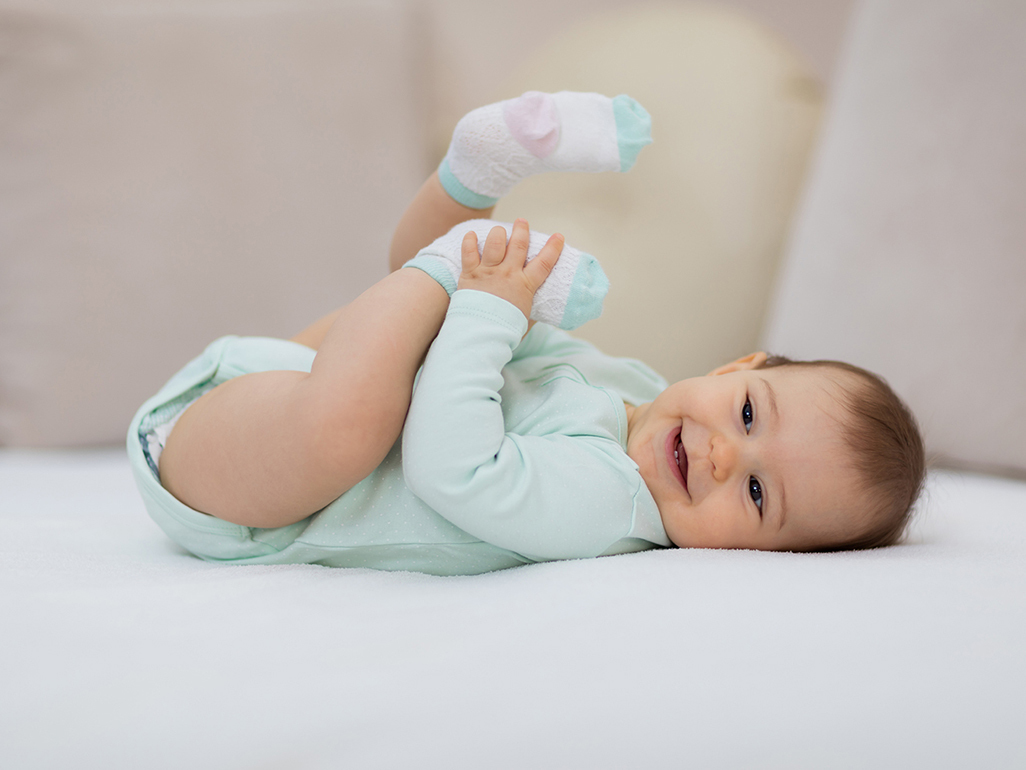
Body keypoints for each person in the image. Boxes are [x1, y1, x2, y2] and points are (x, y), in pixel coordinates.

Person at [128, 91, 925, 576]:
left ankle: (450, 250)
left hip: (254, 488)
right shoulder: (636, 390)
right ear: (737, 365)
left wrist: (490, 305)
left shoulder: (614, 504)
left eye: (756, 493)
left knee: (356, 422)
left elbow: (457, 470)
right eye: (750, 415)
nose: (723, 455)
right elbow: (476, 347)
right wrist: (503, 304)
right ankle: (474, 174)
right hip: (291, 376)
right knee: (424, 318)